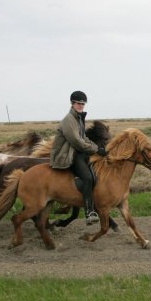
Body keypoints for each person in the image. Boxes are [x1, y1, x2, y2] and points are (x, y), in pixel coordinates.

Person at [50, 91, 107, 224]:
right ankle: (89, 212)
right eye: (78, 103)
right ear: (72, 103)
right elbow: (76, 141)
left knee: (95, 174)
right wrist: (96, 149)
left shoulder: (79, 119)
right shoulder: (69, 120)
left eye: (83, 104)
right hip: (67, 154)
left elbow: (84, 138)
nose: (81, 106)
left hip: (77, 152)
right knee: (87, 177)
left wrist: (98, 149)